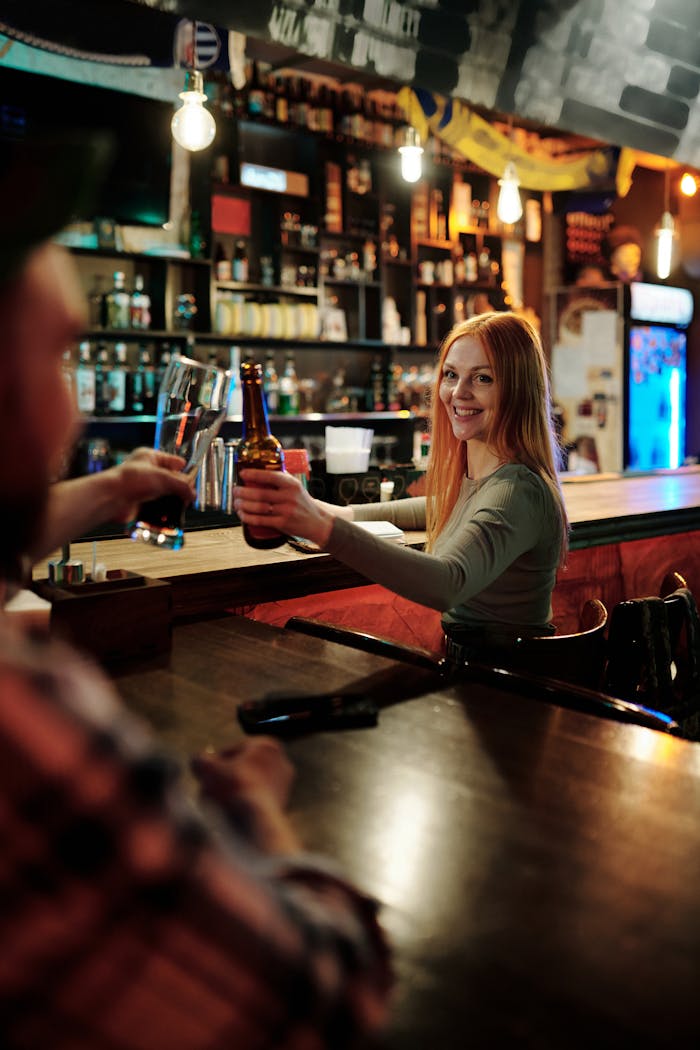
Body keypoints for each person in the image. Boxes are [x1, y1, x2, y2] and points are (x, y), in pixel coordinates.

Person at [0, 134, 391, 1047]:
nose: (74, 410)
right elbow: (325, 994)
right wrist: (259, 818)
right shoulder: (25, 711)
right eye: (55, 358)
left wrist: (115, 485)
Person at [235, 312, 570, 663]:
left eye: (483, 378)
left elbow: (447, 583)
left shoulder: (517, 489)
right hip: (479, 670)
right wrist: (331, 510)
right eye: (451, 375)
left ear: (518, 390)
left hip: (505, 688)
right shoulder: (489, 478)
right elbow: (439, 506)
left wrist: (320, 526)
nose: (458, 392)